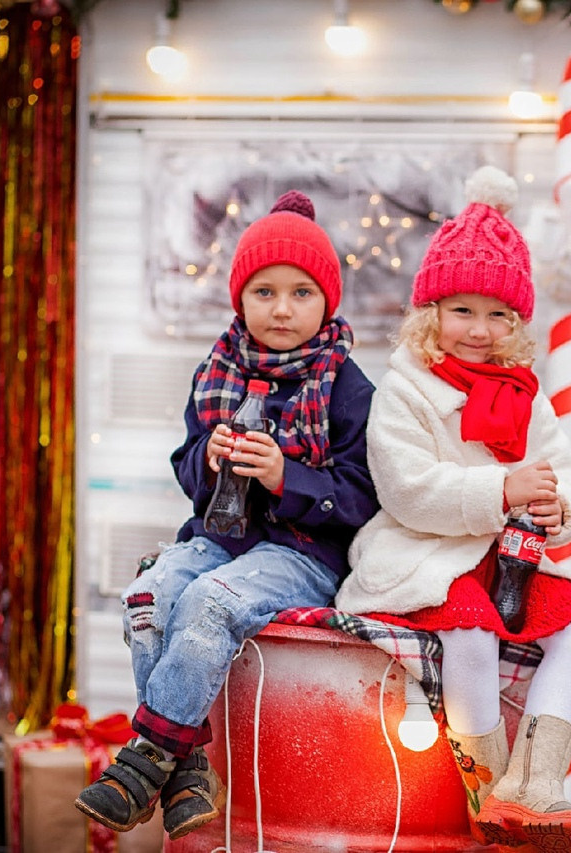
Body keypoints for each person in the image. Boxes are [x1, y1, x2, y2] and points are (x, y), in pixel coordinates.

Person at [75, 190, 378, 840]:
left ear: (328, 301)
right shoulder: (218, 371)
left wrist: (285, 476)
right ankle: (185, 769)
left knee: (211, 601)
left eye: (301, 292)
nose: (282, 308)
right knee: (149, 595)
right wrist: (209, 463)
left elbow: (361, 500)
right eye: (264, 291)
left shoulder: (347, 387)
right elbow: (187, 469)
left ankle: (149, 758)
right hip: (219, 537)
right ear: (240, 297)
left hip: (301, 553)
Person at [335, 165, 571, 853]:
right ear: (431, 313)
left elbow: (564, 473)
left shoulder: (523, 391)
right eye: (463, 310)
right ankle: (484, 787)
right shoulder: (407, 390)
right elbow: (406, 488)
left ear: (516, 322)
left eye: (498, 314)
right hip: (425, 550)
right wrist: (500, 490)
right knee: (473, 636)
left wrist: (555, 509)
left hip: (505, 554)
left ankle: (532, 783)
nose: (479, 329)